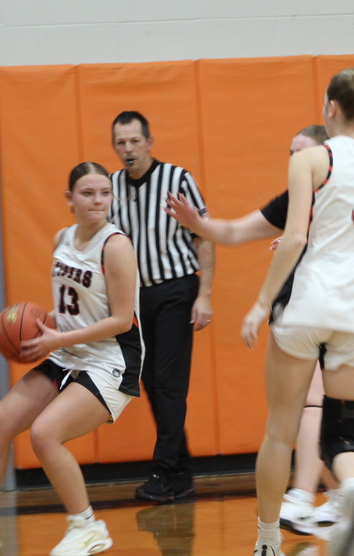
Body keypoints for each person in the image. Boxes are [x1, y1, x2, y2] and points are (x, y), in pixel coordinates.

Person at [165, 125, 354, 536]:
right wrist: (198, 224)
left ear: (324, 157)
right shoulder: (297, 201)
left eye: (302, 152)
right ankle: (343, 494)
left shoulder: (345, 200)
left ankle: (300, 498)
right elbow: (236, 231)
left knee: (311, 399)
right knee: (318, 414)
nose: (294, 159)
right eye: (290, 152)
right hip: (324, 315)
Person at [0, 162, 142, 556]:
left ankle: (87, 528)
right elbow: (74, 308)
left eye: (104, 193)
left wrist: (58, 338)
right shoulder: (63, 238)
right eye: (88, 193)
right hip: (69, 351)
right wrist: (42, 326)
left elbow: (122, 320)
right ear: (70, 198)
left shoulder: (115, 246)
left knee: (44, 434)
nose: (97, 201)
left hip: (111, 360)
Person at [242, 59, 354, 556]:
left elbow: (293, 240)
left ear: (331, 108)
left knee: (279, 430)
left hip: (311, 307)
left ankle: (269, 539)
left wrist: (260, 304)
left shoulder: (314, 161)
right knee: (344, 432)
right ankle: (351, 489)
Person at [109, 111, 216, 504]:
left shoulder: (178, 180)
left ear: (149, 142)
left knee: (169, 382)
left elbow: (204, 237)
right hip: (136, 297)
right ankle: (182, 469)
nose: (128, 149)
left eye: (135, 141)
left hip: (175, 290)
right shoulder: (112, 187)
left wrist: (204, 295)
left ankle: (164, 472)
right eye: (121, 143)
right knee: (152, 382)